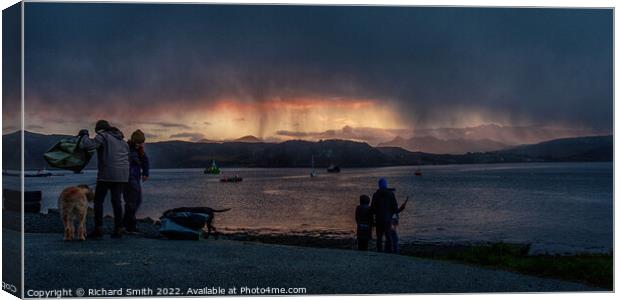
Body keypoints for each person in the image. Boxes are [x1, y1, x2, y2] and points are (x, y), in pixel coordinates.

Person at [79, 120, 129, 239]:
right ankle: (119, 228)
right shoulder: (123, 141)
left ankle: (98, 229)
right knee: (116, 201)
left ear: (100, 129)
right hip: (122, 175)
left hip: (107, 174)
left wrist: (84, 135)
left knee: (98, 201)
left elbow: (89, 146)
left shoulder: (103, 136)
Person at [122, 130, 150, 234]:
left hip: (135, 178)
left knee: (136, 201)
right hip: (128, 178)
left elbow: (145, 161)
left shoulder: (140, 150)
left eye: (141, 142)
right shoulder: (127, 148)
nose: (139, 144)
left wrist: (145, 173)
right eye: (138, 142)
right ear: (133, 141)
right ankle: (130, 227)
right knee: (131, 202)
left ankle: (124, 224)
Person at [370, 177, 399, 253]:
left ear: (379, 185)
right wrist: (393, 214)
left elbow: (372, 207)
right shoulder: (391, 194)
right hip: (388, 219)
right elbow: (395, 206)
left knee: (379, 237)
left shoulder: (375, 194)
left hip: (379, 219)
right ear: (386, 185)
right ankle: (389, 252)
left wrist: (376, 214)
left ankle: (379, 252)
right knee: (388, 236)